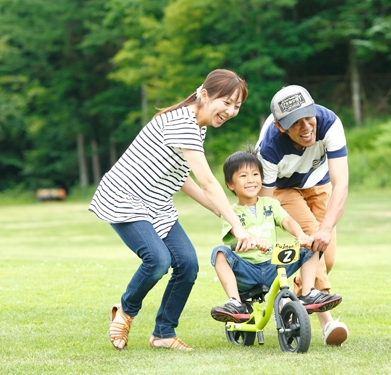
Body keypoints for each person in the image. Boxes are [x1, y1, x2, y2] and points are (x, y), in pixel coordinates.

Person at [88, 69, 259, 351]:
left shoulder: (198, 126)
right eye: (226, 102)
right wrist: (236, 225)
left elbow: (184, 181)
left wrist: (222, 212)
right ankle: (125, 311)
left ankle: (163, 334)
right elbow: (206, 180)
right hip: (126, 198)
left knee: (187, 264)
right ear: (203, 95)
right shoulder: (183, 123)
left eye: (236, 106)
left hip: (156, 204)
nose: (230, 111)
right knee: (157, 260)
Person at [255, 85, 349, 346]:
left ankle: (288, 299)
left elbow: (341, 184)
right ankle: (327, 323)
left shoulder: (329, 122)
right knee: (310, 237)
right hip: (282, 190)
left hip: (320, 183)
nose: (307, 126)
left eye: (309, 117)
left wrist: (327, 228)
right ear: (281, 126)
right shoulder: (270, 147)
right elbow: (265, 201)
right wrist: (261, 241)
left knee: (326, 258)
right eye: (296, 123)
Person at [210, 147, 342, 323]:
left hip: (274, 265)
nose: (251, 180)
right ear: (230, 184)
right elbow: (237, 231)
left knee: (313, 244)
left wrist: (300, 235)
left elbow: (287, 220)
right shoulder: (230, 212)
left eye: (255, 174)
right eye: (243, 176)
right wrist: (255, 241)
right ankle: (235, 302)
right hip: (247, 269)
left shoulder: (270, 204)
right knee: (219, 253)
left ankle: (308, 292)